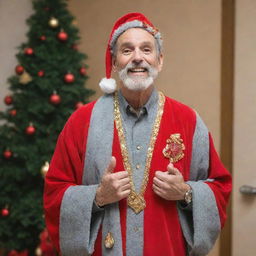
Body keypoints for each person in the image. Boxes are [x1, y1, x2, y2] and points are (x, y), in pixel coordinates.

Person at [44, 12, 232, 256]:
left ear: (159, 60)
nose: (137, 58)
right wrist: (97, 196)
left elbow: (220, 187)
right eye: (127, 50)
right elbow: (54, 194)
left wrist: (186, 192)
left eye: (146, 49)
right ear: (114, 62)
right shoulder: (82, 122)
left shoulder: (188, 120)